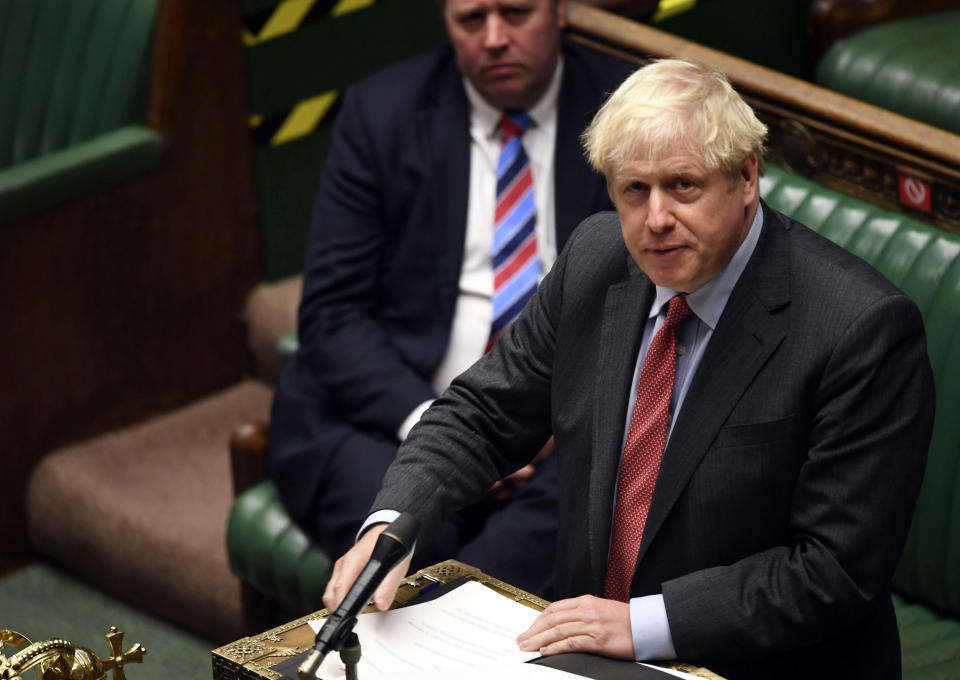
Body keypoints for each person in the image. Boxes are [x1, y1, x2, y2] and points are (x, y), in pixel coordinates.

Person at [323, 58, 935, 679]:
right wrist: (392, 527)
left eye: (684, 186)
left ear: (747, 177)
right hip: (589, 654)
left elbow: (833, 571)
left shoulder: (861, 330)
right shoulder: (597, 257)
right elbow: (483, 414)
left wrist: (643, 623)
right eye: (634, 191)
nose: (656, 219)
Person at [267, 0, 633, 597]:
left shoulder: (625, 113)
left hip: (564, 431)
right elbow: (333, 316)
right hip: (391, 415)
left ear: (560, 9)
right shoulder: (382, 112)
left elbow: (647, 313)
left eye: (515, 13)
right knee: (403, 543)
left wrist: (533, 437)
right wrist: (433, 429)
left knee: (497, 571)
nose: (494, 38)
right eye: (470, 19)